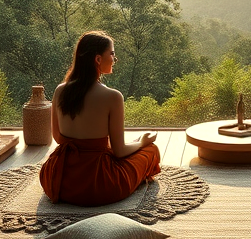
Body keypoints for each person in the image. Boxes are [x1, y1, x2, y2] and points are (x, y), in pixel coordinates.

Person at [39, 31, 161, 206]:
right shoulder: (113, 97)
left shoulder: (60, 91)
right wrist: (142, 142)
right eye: (111, 53)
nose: (114, 59)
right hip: (100, 185)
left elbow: (58, 138)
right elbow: (119, 151)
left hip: (60, 180)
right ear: (97, 59)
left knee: (126, 148)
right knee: (151, 150)